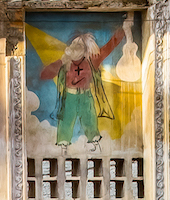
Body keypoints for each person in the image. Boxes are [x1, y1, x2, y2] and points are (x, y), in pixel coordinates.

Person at [39, 13, 133, 147]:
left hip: (86, 97)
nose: (75, 50)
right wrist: (61, 61)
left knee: (90, 121)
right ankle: (63, 147)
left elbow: (109, 46)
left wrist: (124, 29)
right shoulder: (65, 62)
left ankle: (94, 144)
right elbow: (44, 74)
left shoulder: (91, 61)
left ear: (84, 49)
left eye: (78, 47)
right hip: (69, 97)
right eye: (73, 46)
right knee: (65, 122)